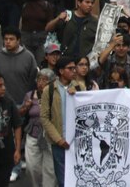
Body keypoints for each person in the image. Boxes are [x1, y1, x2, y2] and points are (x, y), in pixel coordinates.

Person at [40, 56, 86, 186]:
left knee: (79, 178)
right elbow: (44, 117)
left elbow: (86, 111)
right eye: (70, 68)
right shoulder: (48, 90)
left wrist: (77, 95)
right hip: (59, 143)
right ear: (61, 71)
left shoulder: (80, 88)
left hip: (77, 142)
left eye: (74, 68)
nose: (74, 71)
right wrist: (58, 139)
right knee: (63, 180)